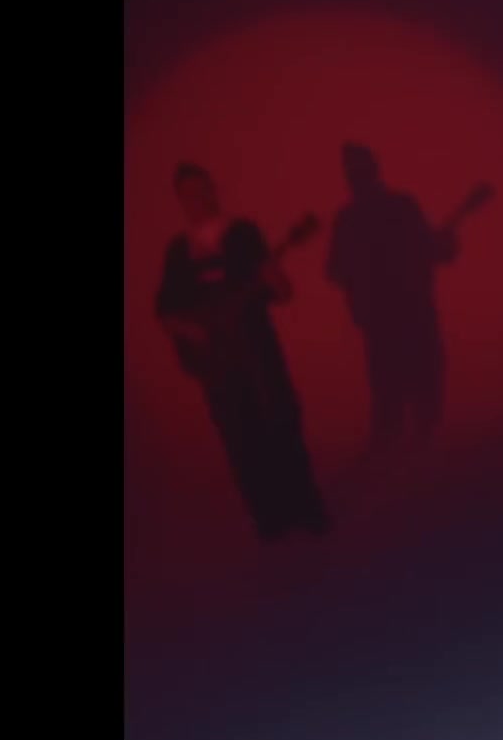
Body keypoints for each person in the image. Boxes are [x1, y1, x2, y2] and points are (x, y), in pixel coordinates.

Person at [156, 163, 329, 541]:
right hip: (217, 365)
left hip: (258, 353)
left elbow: (282, 292)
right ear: (180, 200)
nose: (198, 199)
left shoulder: (244, 234)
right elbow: (166, 312)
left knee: (282, 422)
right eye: (189, 194)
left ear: (213, 189)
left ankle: (306, 509)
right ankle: (269, 518)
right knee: (239, 438)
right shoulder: (178, 251)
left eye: (203, 189)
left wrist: (275, 277)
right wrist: (190, 329)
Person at [324, 143, 459, 455]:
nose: (356, 178)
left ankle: (407, 443)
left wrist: (442, 244)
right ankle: (406, 442)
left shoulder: (363, 215)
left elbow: (334, 270)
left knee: (406, 383)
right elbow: (335, 270)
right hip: (394, 314)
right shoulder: (373, 212)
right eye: (354, 171)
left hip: (396, 313)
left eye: (358, 171)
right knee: (404, 383)